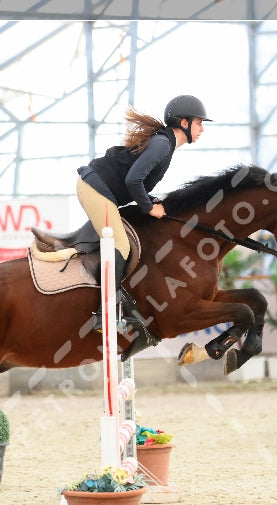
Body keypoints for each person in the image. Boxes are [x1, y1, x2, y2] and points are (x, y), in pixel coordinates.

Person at [76, 94, 211, 331]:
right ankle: (103, 314)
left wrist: (151, 200)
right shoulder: (162, 144)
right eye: (199, 123)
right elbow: (132, 179)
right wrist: (149, 208)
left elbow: (135, 181)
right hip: (95, 189)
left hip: (102, 190)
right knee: (121, 245)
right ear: (184, 123)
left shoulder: (166, 144)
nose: (202, 129)